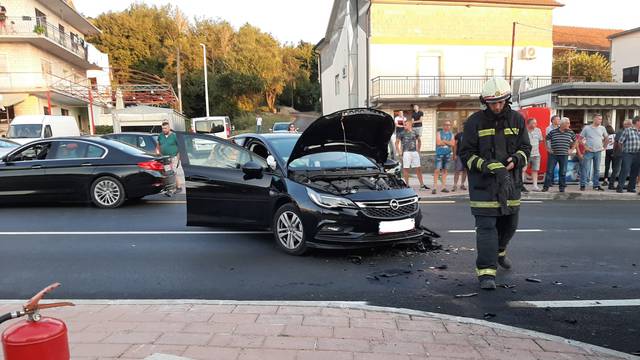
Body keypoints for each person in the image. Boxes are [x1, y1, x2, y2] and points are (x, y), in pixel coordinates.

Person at [459, 77, 531, 290]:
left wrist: (516, 160)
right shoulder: (474, 122)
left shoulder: (517, 120)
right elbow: (466, 154)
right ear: (485, 102)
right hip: (484, 186)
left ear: (507, 100)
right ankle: (486, 273)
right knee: (487, 228)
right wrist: (487, 166)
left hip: (510, 184)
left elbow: (525, 148)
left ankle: (500, 251)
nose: (497, 106)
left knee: (509, 225)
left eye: (500, 102)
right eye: (493, 103)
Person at [542, 117, 577, 193]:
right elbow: (545, 139)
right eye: (567, 123)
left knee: (563, 172)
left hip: (564, 155)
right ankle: (545, 187)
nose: (569, 125)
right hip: (553, 155)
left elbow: (575, 140)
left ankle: (562, 188)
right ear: (562, 124)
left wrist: (571, 149)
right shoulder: (553, 132)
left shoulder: (570, 132)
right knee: (549, 171)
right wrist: (547, 148)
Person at [579, 114, 608, 191]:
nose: (600, 121)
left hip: (598, 151)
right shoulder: (587, 128)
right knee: (585, 168)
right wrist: (586, 147)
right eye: (599, 119)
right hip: (589, 151)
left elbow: (606, 138)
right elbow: (580, 139)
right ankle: (582, 184)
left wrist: (604, 147)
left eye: (601, 119)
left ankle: (596, 185)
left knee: (597, 169)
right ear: (594, 119)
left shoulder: (602, 128)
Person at [397, 119, 429, 190]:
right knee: (406, 169)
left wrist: (418, 150)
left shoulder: (415, 132)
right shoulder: (401, 133)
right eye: (404, 125)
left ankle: (422, 185)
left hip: (414, 152)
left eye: (406, 125)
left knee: (418, 168)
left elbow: (419, 141)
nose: (404, 126)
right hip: (406, 152)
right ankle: (407, 185)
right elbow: (397, 142)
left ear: (410, 125)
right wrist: (399, 151)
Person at [157, 121, 183, 193]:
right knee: (167, 173)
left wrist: (179, 158)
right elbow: (158, 145)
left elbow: (180, 147)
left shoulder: (174, 136)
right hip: (164, 158)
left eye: (165, 128)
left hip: (173, 157)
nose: (164, 130)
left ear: (169, 128)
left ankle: (178, 187)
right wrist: (158, 152)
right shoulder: (160, 136)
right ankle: (170, 188)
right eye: (163, 128)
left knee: (173, 172)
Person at [616, 116, 640, 193]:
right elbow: (620, 142)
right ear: (637, 122)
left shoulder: (639, 131)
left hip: (637, 154)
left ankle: (631, 187)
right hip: (628, 153)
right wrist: (623, 151)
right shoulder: (628, 130)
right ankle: (620, 187)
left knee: (635, 171)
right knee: (625, 170)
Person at [609, 120, 632, 189]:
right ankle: (611, 184)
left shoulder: (629, 132)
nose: (631, 126)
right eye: (630, 124)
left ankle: (620, 184)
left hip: (625, 154)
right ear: (625, 125)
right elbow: (616, 143)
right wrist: (614, 152)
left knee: (623, 169)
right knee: (616, 170)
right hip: (619, 154)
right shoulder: (620, 132)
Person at [433, 121, 454, 194]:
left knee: (445, 171)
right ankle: (435, 187)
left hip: (447, 154)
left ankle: (443, 187)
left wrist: (444, 141)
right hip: (439, 154)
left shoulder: (451, 134)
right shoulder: (439, 133)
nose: (448, 126)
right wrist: (448, 143)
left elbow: (453, 144)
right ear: (443, 125)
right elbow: (438, 143)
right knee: (437, 170)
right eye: (446, 125)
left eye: (449, 125)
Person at [525, 118, 543, 191]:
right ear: (528, 124)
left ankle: (535, 186)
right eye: (533, 123)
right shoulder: (524, 131)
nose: (535, 125)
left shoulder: (538, 130)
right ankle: (521, 185)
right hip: (526, 154)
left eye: (535, 123)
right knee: (523, 169)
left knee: (535, 170)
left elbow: (541, 140)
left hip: (536, 154)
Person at [545, 115, 561, 186]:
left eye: (559, 119)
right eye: (557, 119)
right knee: (551, 167)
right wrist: (549, 149)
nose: (559, 121)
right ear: (553, 120)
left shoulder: (560, 128)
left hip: (560, 150)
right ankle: (549, 182)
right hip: (552, 150)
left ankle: (560, 182)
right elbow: (547, 140)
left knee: (561, 167)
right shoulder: (549, 129)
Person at [452, 128, 467, 192]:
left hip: (467, 155)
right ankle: (455, 185)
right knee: (457, 170)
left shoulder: (471, 134)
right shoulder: (458, 135)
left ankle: (462, 184)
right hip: (459, 155)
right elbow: (455, 145)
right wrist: (454, 154)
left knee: (465, 170)